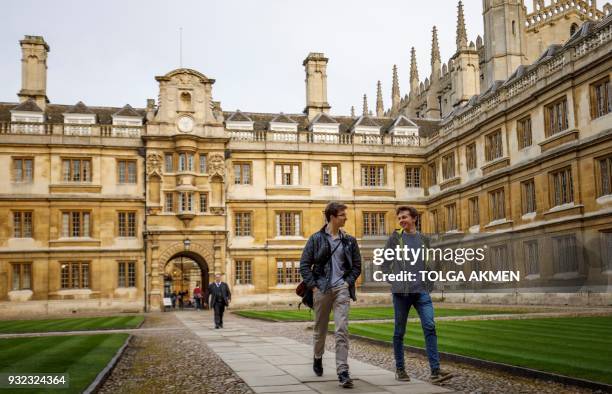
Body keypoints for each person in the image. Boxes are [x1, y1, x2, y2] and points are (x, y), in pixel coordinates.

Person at [381, 206, 452, 383]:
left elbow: (430, 264)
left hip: (421, 292)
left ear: (414, 218)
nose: (401, 220)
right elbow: (384, 264)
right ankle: (400, 369)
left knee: (430, 327)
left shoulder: (424, 240)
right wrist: (395, 280)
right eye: (399, 218)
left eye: (404, 217)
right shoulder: (395, 239)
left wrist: (429, 283)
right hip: (401, 293)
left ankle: (435, 371)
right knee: (399, 332)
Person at [300, 201, 362, 389]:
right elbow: (304, 265)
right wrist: (314, 287)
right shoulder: (315, 239)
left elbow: (357, 266)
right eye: (343, 214)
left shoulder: (349, 240)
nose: (346, 217)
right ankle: (318, 357)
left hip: (341, 289)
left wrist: (347, 282)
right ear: (333, 217)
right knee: (320, 330)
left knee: (342, 329)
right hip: (322, 289)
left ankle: (343, 371)